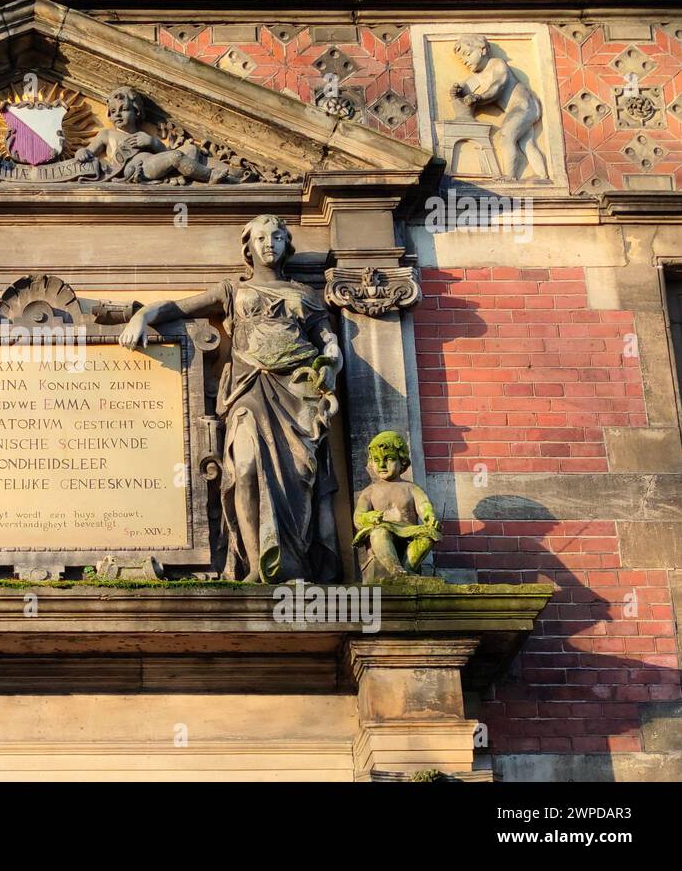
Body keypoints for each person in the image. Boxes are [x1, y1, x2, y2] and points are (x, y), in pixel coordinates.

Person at [120, 214, 342, 582]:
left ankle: (291, 565)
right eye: (260, 238)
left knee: (298, 478)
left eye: (277, 236)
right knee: (245, 468)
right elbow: (179, 308)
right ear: (249, 247)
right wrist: (142, 315)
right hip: (249, 389)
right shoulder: (232, 291)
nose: (269, 243)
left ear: (288, 244)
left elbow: (327, 340)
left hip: (298, 393)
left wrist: (331, 362)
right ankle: (256, 565)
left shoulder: (305, 294)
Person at [77, 85, 233, 184]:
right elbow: (88, 152)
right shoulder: (106, 134)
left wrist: (152, 142)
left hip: (153, 163)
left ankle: (184, 174)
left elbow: (165, 153)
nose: (117, 115)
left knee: (190, 150)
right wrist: (81, 152)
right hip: (136, 169)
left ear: (136, 112)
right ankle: (209, 176)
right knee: (176, 157)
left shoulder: (144, 135)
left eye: (123, 110)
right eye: (113, 111)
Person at [449, 33, 547, 182]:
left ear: (482, 50)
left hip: (524, 106)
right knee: (526, 142)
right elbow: (465, 89)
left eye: (468, 54)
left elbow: (498, 87)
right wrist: (457, 92)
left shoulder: (497, 64)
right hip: (523, 109)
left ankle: (510, 176)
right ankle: (542, 176)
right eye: (463, 60)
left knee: (507, 136)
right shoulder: (478, 76)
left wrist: (479, 98)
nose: (465, 61)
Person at [352, 430, 441, 581]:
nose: (382, 464)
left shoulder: (411, 488)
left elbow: (424, 505)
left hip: (408, 531)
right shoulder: (370, 491)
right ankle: (395, 570)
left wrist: (430, 517)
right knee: (379, 533)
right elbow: (358, 517)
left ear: (402, 461)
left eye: (389, 459)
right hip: (382, 530)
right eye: (376, 459)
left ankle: (408, 569)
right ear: (371, 462)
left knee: (430, 534)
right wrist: (369, 517)